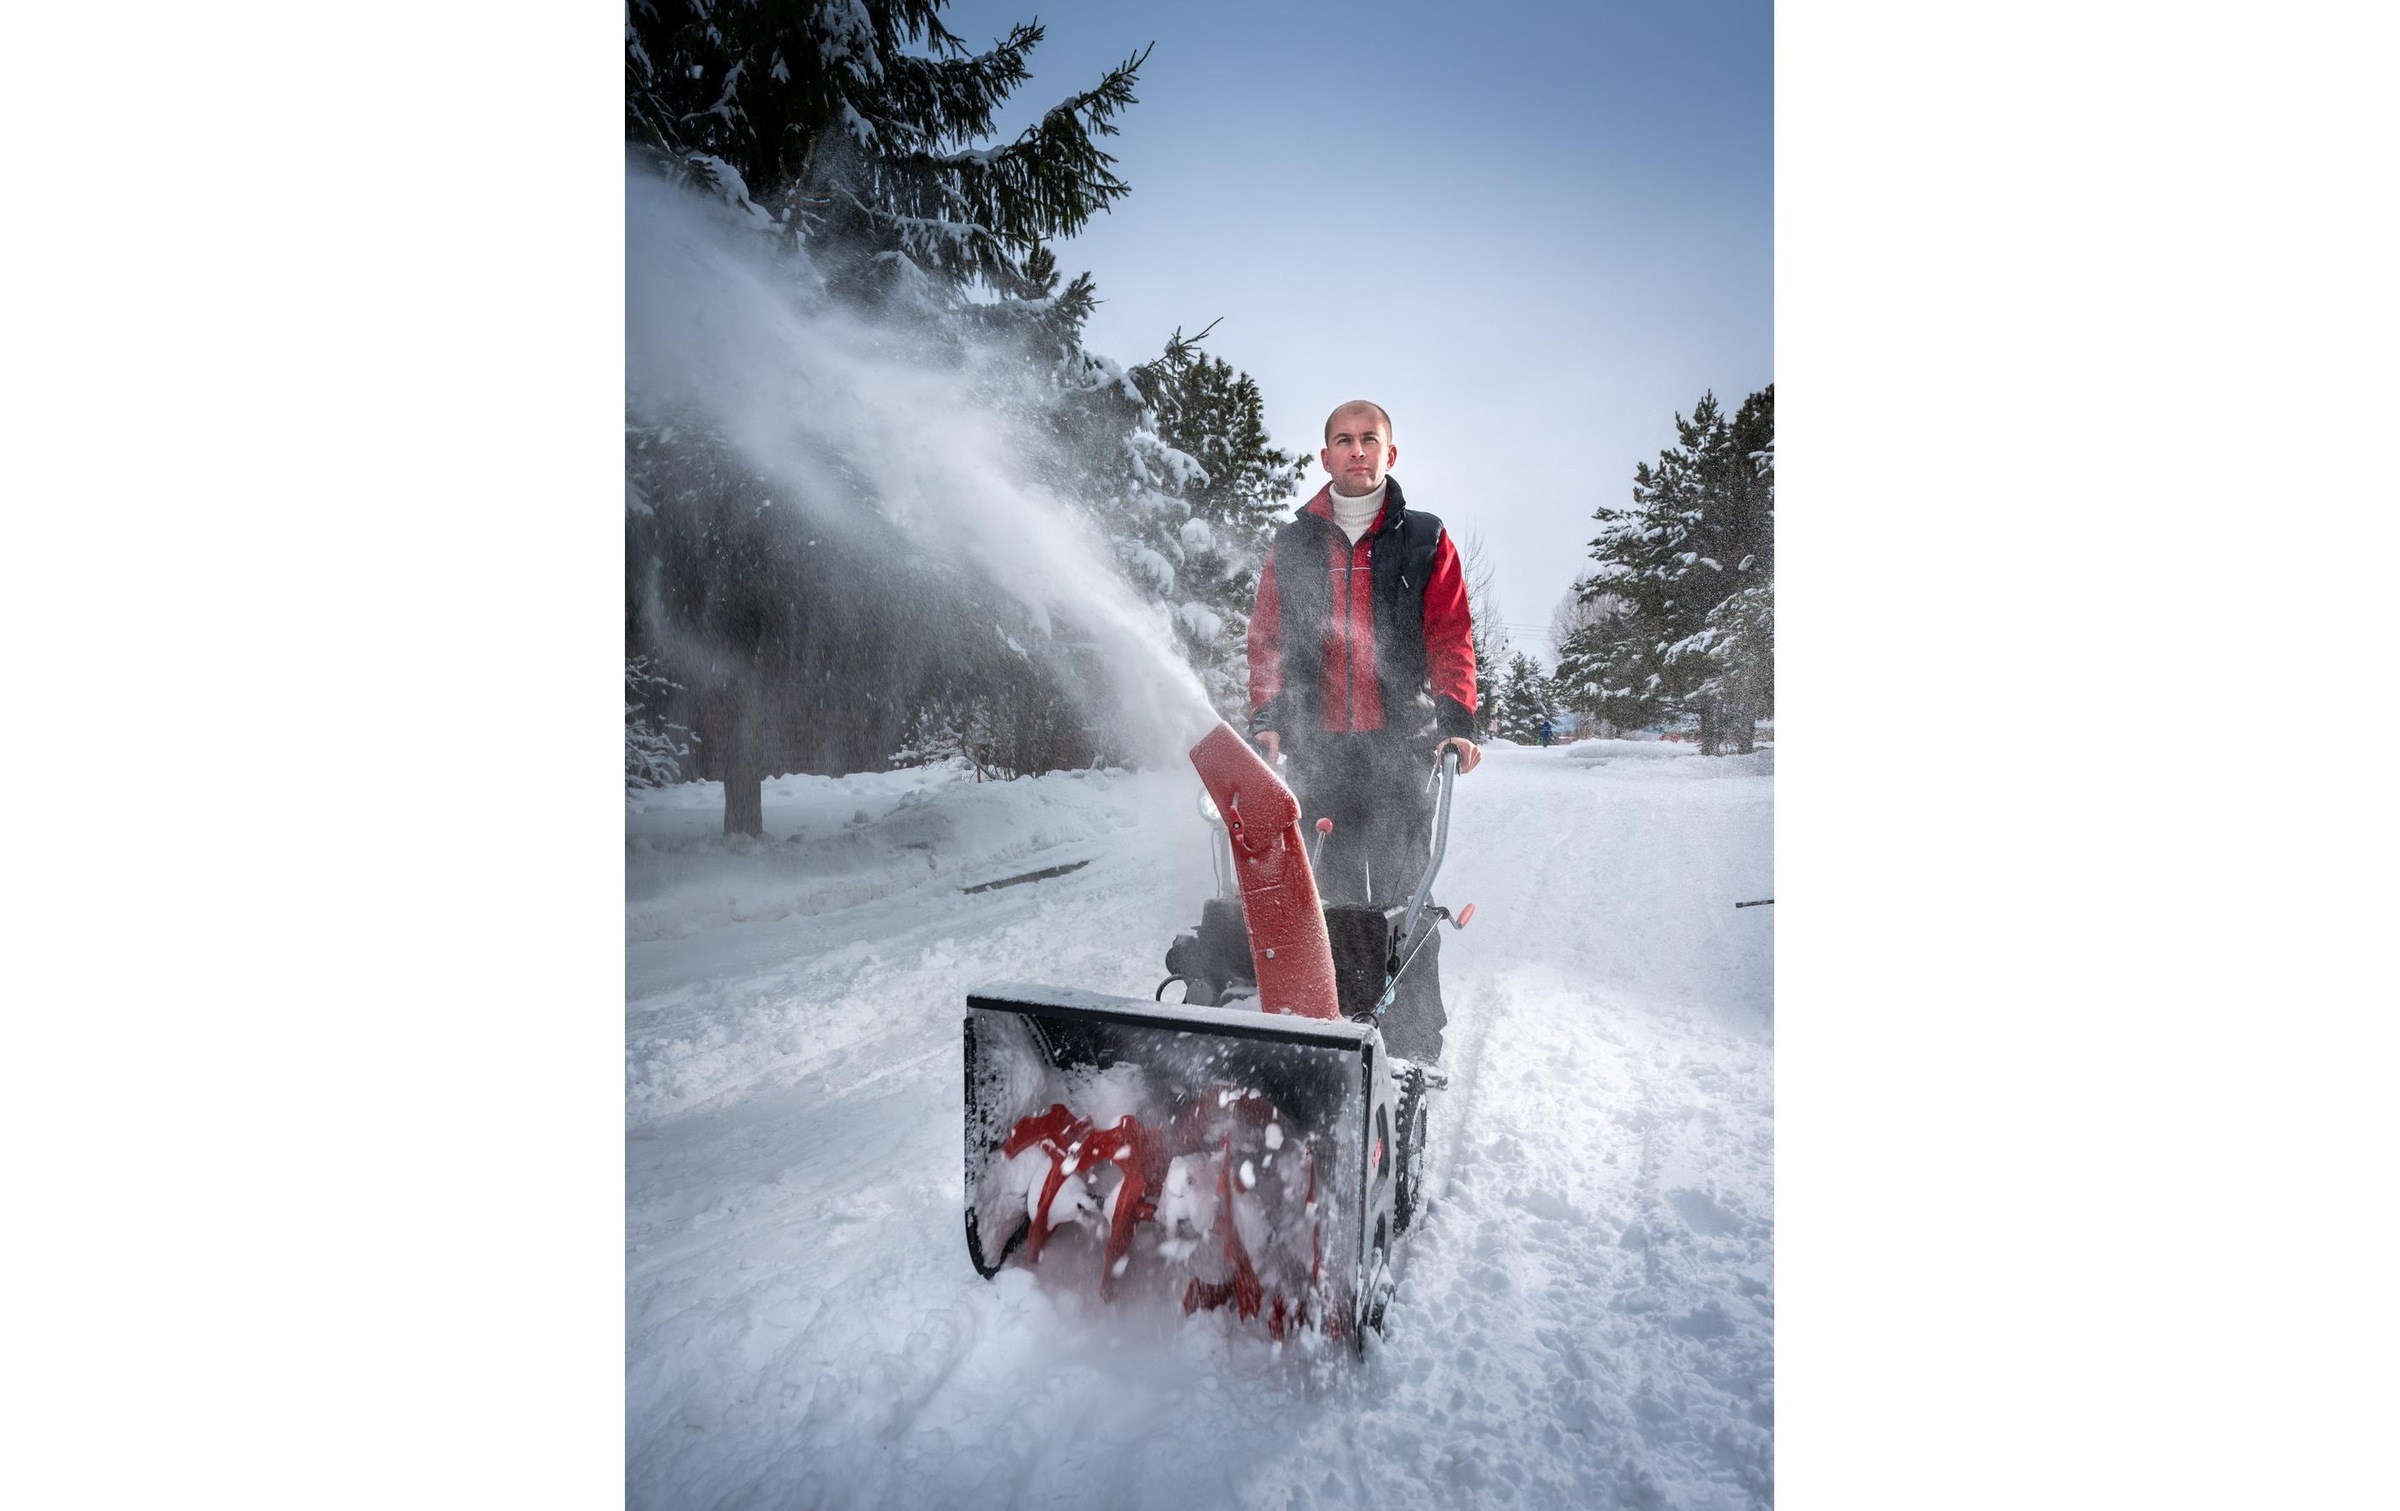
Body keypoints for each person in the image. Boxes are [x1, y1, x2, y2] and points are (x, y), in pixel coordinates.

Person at [1246, 400, 1478, 1063]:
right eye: (1343, 440)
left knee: (1406, 895)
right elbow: (1267, 640)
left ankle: (1413, 1043)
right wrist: (1266, 722)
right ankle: (1332, 1031)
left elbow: (1450, 636)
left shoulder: (1425, 538)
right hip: (1318, 751)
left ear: (1389, 454)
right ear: (1325, 457)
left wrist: (1456, 724)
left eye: (1368, 439)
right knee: (1328, 892)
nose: (1356, 450)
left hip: (1401, 749)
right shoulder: (1292, 545)